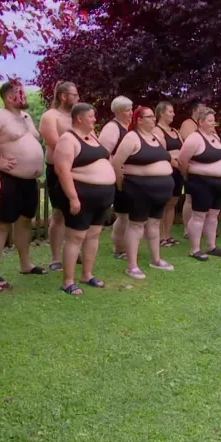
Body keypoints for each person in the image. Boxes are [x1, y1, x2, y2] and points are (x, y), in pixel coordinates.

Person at [0, 80, 49, 291]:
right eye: (21, 93)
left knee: (24, 221)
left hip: (29, 181)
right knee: (1, 224)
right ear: (9, 97)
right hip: (8, 178)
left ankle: (26, 264)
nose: (25, 95)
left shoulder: (25, 117)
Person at [54, 103, 117, 295]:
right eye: (91, 117)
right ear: (79, 118)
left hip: (101, 196)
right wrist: (73, 198)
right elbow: (62, 170)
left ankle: (87, 274)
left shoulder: (92, 137)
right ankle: (68, 281)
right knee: (76, 237)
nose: (94, 120)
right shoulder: (68, 139)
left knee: (94, 235)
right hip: (82, 194)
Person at [111, 106, 176, 279]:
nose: (154, 119)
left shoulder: (156, 137)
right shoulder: (132, 137)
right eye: (150, 117)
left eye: (154, 116)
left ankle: (156, 259)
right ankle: (132, 265)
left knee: (154, 224)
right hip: (139, 189)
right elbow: (116, 163)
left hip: (161, 190)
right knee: (136, 225)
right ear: (139, 120)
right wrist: (121, 185)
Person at [178, 107, 221, 260]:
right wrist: (188, 176)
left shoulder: (215, 136)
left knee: (213, 215)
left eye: (214, 120)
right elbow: (182, 160)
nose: (213, 123)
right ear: (201, 122)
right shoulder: (194, 138)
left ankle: (211, 246)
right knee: (199, 215)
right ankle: (195, 249)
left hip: (220, 183)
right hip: (201, 183)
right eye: (210, 121)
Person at [39, 81, 79, 271]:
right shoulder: (50, 116)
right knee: (59, 214)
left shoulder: (77, 116)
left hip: (79, 170)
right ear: (64, 96)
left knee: (77, 211)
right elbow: (55, 143)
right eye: (75, 95)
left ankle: (73, 250)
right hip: (58, 170)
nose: (78, 98)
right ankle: (56, 258)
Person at [99, 96, 134, 260]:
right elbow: (104, 154)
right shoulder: (112, 128)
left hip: (130, 177)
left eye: (131, 109)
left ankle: (127, 246)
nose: (131, 113)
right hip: (118, 178)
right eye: (128, 110)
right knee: (123, 215)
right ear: (119, 111)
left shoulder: (128, 128)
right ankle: (119, 249)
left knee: (129, 215)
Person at [151, 101, 184, 248]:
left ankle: (168, 235)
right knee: (163, 204)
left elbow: (183, 149)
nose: (173, 114)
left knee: (172, 203)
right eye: (170, 112)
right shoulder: (157, 131)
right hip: (166, 172)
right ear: (161, 113)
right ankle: (159, 237)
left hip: (178, 172)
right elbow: (162, 153)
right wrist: (175, 160)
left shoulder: (175, 131)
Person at [177, 101, 206, 230]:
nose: (205, 110)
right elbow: (191, 143)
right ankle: (187, 228)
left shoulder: (205, 125)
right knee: (190, 198)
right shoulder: (188, 124)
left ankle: (201, 227)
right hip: (192, 165)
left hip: (205, 168)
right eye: (202, 108)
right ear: (194, 110)